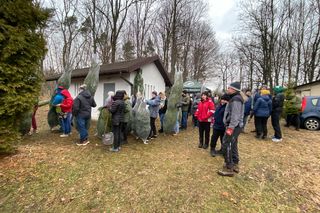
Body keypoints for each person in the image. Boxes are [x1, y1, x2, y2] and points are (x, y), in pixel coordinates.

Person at [218, 82, 245, 177]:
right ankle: (235, 163)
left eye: (229, 88)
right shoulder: (234, 98)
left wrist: (230, 128)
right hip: (234, 126)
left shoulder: (236, 99)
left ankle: (229, 167)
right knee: (233, 144)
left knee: (226, 143)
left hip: (233, 126)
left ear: (233, 89)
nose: (227, 89)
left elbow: (235, 116)